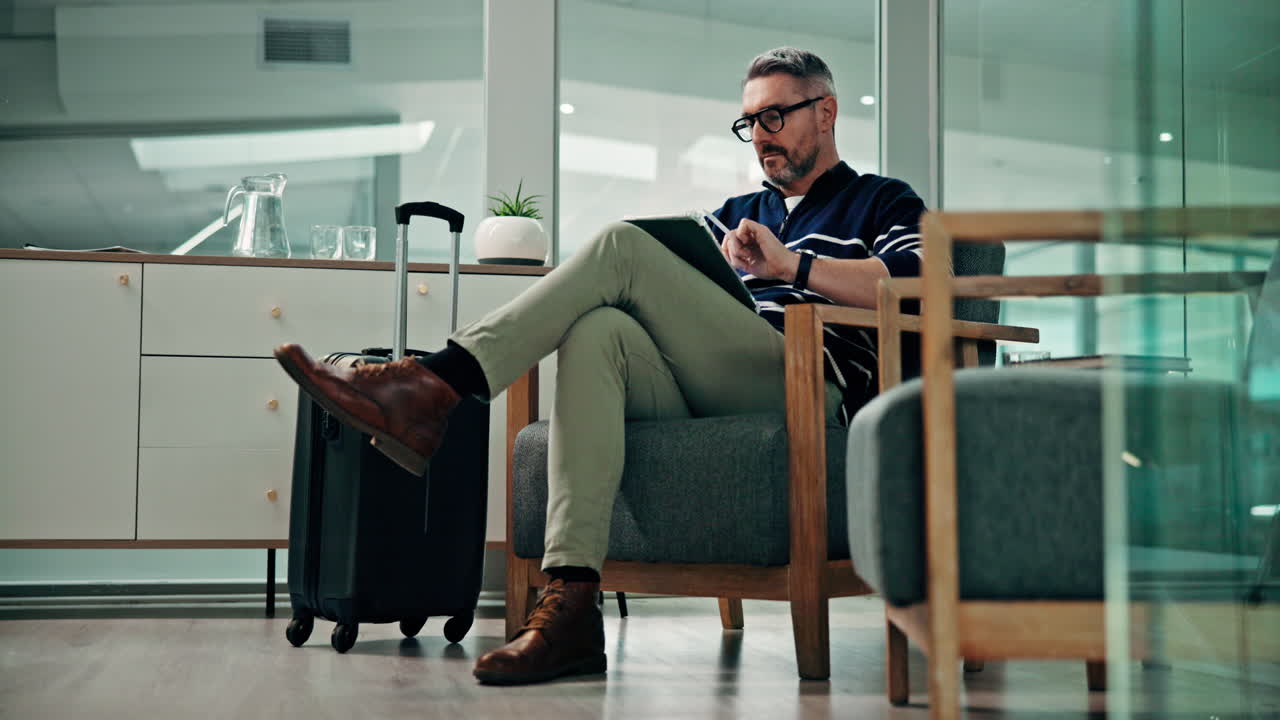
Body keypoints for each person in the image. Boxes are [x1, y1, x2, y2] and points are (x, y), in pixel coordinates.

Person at [273, 47, 927, 686]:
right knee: (597, 330)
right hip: (712, 382)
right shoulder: (734, 217)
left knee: (621, 245)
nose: (760, 136)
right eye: (748, 123)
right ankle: (573, 606)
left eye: (775, 116)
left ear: (827, 112)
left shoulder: (882, 200)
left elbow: (918, 284)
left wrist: (792, 267)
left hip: (805, 382)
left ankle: (435, 384)